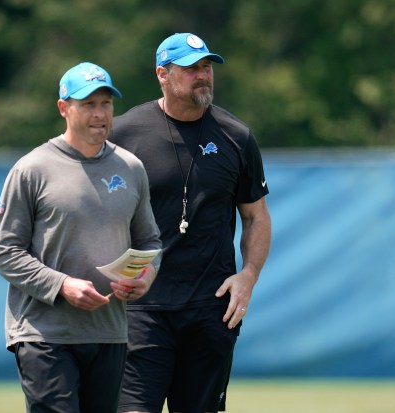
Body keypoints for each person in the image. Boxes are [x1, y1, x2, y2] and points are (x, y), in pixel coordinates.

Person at [108, 33, 272, 413]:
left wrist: (248, 277)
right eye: (191, 69)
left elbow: (256, 216)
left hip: (210, 310)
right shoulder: (123, 135)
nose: (203, 76)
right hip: (141, 309)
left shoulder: (236, 137)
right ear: (162, 74)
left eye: (206, 67)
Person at [0, 62, 162, 413]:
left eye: (106, 104)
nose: (99, 114)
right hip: (45, 334)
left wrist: (145, 276)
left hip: (109, 332)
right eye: (88, 104)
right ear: (63, 108)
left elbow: (150, 242)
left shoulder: (131, 167)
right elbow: (5, 252)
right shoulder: (32, 169)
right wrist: (62, 285)